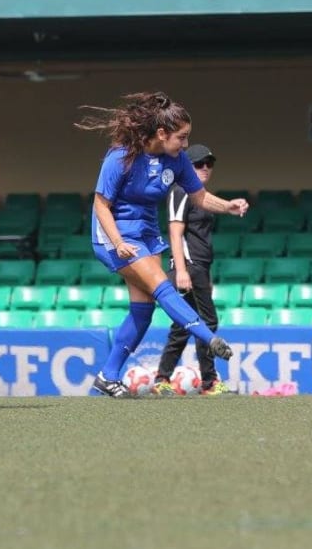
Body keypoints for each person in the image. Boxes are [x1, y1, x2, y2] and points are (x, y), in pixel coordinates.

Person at [75, 92, 248, 398]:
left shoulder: (177, 160)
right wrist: (117, 243)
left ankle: (108, 375)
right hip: (114, 236)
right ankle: (207, 337)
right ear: (160, 133)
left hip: (145, 234)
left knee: (143, 310)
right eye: (181, 138)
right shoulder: (120, 157)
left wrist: (228, 207)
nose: (185, 144)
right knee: (160, 285)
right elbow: (101, 206)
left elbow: (199, 197)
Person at [152, 144, 229, 397]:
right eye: (198, 164)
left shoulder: (198, 194)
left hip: (198, 267)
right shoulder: (180, 190)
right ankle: (209, 382)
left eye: (209, 163)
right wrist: (182, 270)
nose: (205, 168)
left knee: (183, 325)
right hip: (189, 267)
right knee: (207, 322)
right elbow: (175, 231)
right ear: (187, 166)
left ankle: (162, 379)